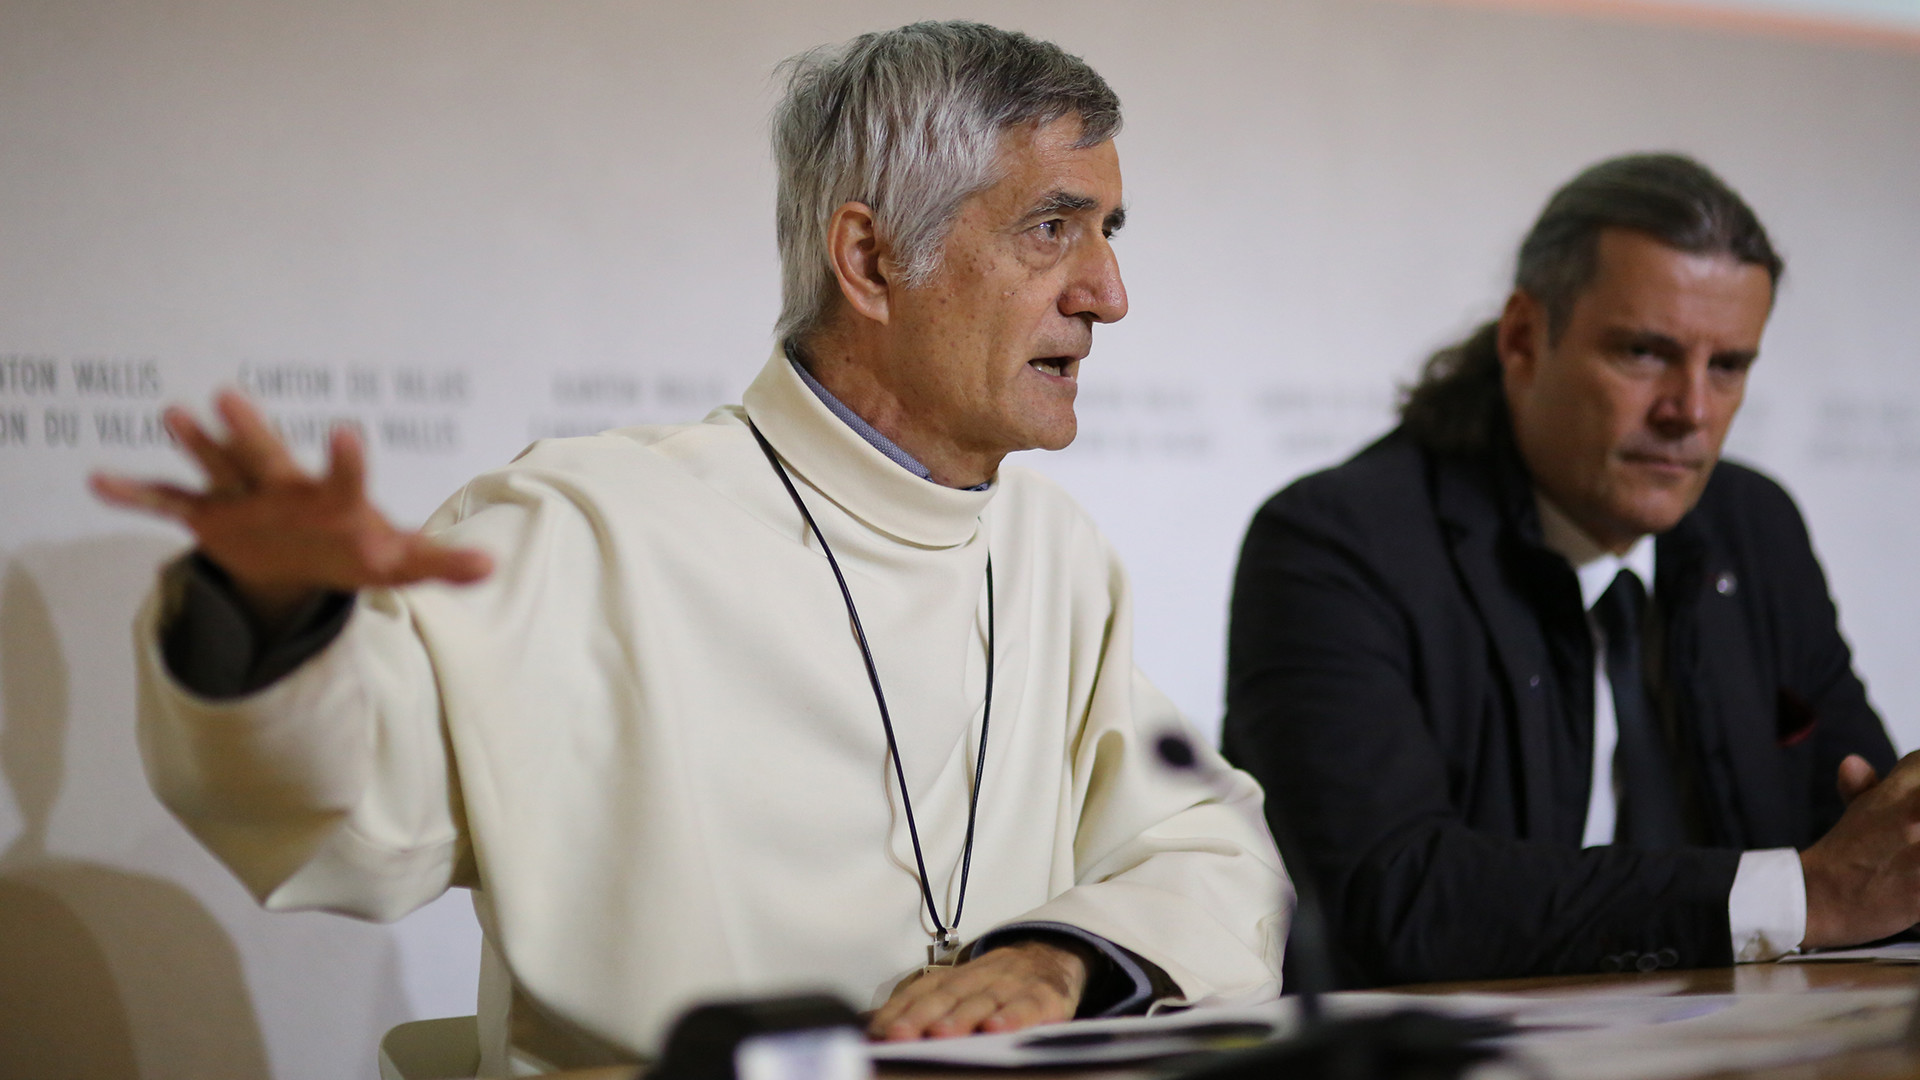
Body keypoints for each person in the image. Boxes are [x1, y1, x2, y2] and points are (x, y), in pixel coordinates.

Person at [96, 22, 1288, 1073]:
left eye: (1107, 231)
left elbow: (1211, 846)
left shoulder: (1053, 553)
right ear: (870, 262)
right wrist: (269, 615)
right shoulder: (586, 527)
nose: (1109, 293)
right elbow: (354, 816)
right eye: (1052, 229)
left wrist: (1058, 954)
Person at [1223, 153, 1915, 989]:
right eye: (1643, 353)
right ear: (1522, 338)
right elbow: (1388, 897)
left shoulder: (1753, 530)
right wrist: (1802, 895)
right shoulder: (1334, 545)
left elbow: (1870, 843)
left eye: (1728, 366)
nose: (1690, 411)